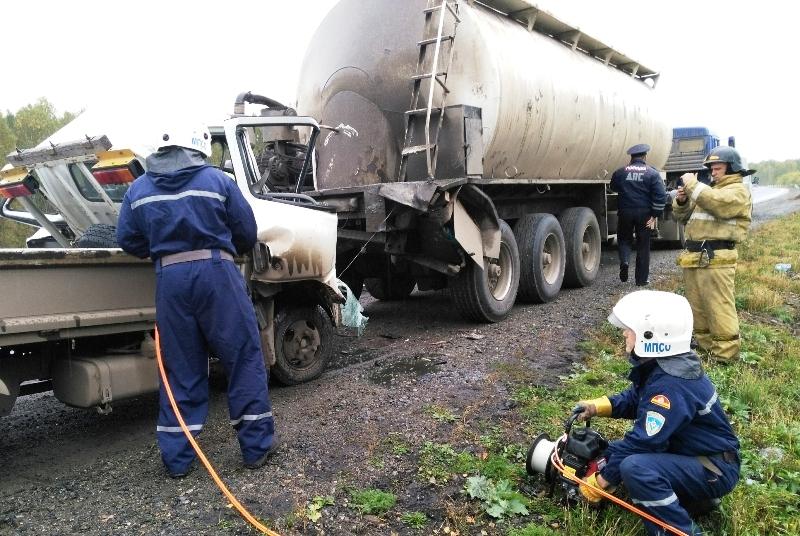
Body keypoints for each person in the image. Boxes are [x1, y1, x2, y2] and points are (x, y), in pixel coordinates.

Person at [117, 121, 279, 478]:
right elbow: (246, 233)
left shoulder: (139, 190)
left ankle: (177, 460)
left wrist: (165, 253)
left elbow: (127, 238)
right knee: (242, 357)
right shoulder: (219, 182)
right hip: (216, 275)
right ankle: (256, 448)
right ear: (198, 148)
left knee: (181, 368)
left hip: (170, 282)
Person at [574, 290, 740, 536]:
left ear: (650, 335)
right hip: (698, 457)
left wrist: (598, 484)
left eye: (629, 329)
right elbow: (635, 399)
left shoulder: (670, 384)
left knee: (635, 467)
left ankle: (681, 532)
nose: (624, 333)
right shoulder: (666, 366)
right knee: (617, 452)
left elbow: (643, 443)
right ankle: (692, 498)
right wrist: (597, 406)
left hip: (713, 468)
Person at [673, 146, 753, 363]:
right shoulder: (709, 190)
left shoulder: (737, 191)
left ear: (732, 168)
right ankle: (706, 349)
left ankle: (725, 356)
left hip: (717, 259)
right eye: (712, 168)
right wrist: (682, 200)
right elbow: (682, 216)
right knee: (698, 307)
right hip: (696, 258)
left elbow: (718, 205)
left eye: (717, 168)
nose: (713, 172)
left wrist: (691, 184)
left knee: (719, 306)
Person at [610, 143, 667, 287]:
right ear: (645, 156)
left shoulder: (620, 172)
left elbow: (613, 187)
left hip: (625, 212)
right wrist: (654, 215)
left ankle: (625, 261)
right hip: (645, 214)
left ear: (631, 157)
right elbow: (660, 196)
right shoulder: (652, 173)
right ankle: (641, 280)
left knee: (624, 239)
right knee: (643, 245)